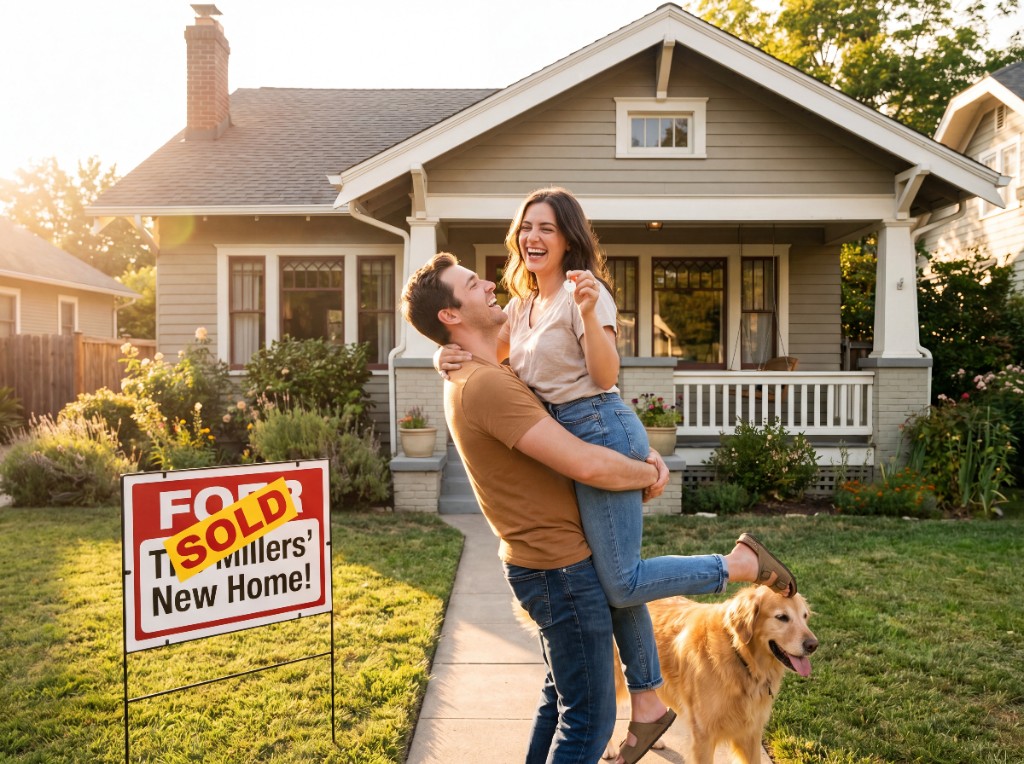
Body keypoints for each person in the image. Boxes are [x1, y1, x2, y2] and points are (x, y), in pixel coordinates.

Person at [434, 187, 797, 759]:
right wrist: (443, 353)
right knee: (613, 584)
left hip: (597, 424)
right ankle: (650, 703)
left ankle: (737, 564)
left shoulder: (587, 292)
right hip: (569, 438)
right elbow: (487, 355)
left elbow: (603, 378)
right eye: (527, 226)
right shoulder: (522, 304)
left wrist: (637, 461)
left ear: (569, 238)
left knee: (621, 581)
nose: (533, 237)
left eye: (547, 228)